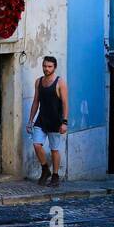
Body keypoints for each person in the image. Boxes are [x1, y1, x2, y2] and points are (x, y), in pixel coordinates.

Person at [26, 56, 69, 187]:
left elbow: (65, 103)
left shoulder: (59, 82)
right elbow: (35, 101)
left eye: (49, 66)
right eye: (45, 66)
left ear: (54, 67)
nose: (46, 69)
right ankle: (45, 169)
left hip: (56, 121)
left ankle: (55, 176)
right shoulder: (39, 82)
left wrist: (64, 122)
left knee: (54, 150)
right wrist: (30, 120)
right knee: (36, 144)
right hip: (41, 119)